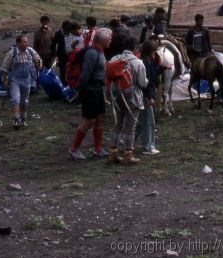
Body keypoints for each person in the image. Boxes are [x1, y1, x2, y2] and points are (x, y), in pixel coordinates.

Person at [69, 28, 112, 160]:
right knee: (89, 120)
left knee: (100, 118)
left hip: (98, 90)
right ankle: (74, 149)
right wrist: (80, 92)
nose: (110, 40)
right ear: (103, 40)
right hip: (90, 90)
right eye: (109, 38)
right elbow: (84, 75)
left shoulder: (100, 52)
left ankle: (98, 149)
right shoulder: (92, 53)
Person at [108, 36, 148, 165]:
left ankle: (113, 152)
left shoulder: (114, 59)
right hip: (132, 97)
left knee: (117, 123)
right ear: (136, 48)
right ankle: (128, 155)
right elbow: (142, 83)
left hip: (116, 96)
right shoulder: (138, 62)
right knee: (130, 127)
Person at [0, 35, 42, 129]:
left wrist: (39, 65)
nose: (27, 43)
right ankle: (16, 120)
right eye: (24, 42)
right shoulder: (12, 53)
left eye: (27, 42)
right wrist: (5, 80)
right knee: (15, 99)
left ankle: (23, 119)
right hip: (15, 80)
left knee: (25, 101)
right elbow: (4, 68)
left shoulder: (30, 51)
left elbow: (39, 60)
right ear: (18, 43)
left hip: (27, 80)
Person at [137, 40, 160, 155]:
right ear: (151, 51)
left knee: (140, 121)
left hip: (143, 95)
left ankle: (127, 141)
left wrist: (162, 68)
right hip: (146, 96)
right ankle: (148, 147)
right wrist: (150, 97)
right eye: (155, 50)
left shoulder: (147, 62)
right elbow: (147, 82)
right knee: (149, 121)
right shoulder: (145, 63)